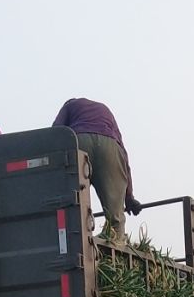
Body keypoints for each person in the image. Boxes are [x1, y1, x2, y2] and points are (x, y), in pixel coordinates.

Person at [51, 98, 142, 240]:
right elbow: (123, 154)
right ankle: (115, 243)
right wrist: (129, 198)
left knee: (73, 199)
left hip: (79, 141)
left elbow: (56, 131)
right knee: (115, 217)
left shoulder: (69, 106)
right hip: (110, 146)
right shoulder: (105, 110)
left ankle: (77, 239)